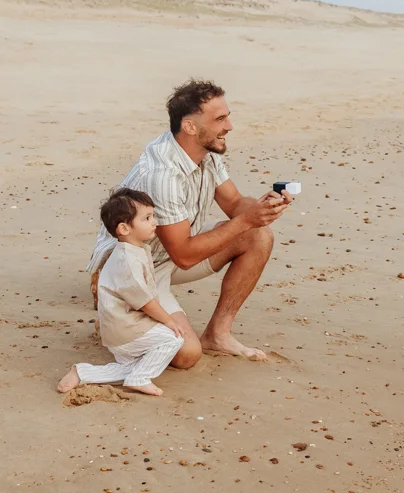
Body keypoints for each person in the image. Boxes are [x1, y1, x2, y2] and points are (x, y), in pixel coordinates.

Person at [85, 79, 290, 365]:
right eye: (220, 119)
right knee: (186, 357)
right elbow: (183, 255)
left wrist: (262, 207)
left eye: (227, 116)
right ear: (190, 127)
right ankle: (113, 310)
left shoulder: (204, 151)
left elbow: (232, 203)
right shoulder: (163, 174)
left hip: (166, 255)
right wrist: (246, 220)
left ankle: (218, 335)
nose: (229, 126)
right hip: (134, 266)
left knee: (259, 235)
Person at [59, 189, 183, 396]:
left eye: (153, 216)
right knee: (174, 338)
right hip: (125, 328)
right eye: (147, 218)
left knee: (135, 364)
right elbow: (144, 301)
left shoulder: (137, 250)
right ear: (124, 228)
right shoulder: (127, 260)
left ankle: (83, 373)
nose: (154, 222)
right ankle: (139, 378)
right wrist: (169, 321)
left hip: (120, 329)